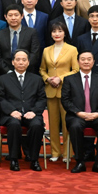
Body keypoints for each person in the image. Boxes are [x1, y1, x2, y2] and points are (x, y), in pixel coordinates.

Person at [0, 49, 47, 171]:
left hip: (32, 113)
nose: (21, 62)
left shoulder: (36, 79)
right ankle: (14, 159)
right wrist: (12, 111)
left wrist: (34, 112)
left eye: (24, 60)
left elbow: (42, 99)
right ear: (13, 62)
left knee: (37, 125)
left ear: (28, 62)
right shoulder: (3, 79)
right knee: (14, 124)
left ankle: (34, 160)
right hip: (11, 115)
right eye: (18, 60)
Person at [61, 51, 98, 174]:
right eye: (83, 59)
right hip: (77, 116)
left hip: (97, 115)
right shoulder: (69, 79)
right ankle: (79, 161)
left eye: (89, 59)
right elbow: (65, 100)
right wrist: (78, 112)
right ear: (78, 62)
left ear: (93, 62)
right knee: (75, 126)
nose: (86, 62)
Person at [39, 21, 79, 163]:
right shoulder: (46, 50)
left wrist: (60, 78)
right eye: (54, 31)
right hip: (50, 91)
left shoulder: (72, 49)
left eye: (60, 31)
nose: (57, 34)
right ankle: (55, 152)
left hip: (66, 91)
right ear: (50, 34)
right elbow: (42, 69)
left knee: (67, 123)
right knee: (53, 124)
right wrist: (47, 78)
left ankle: (68, 153)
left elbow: (75, 70)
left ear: (65, 33)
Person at [0, 5, 40, 75]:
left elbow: (35, 53)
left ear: (22, 16)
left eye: (16, 15)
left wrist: (22, 68)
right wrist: (7, 71)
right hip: (6, 73)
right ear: (5, 17)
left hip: (27, 72)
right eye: (10, 15)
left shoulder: (31, 32)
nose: (13, 18)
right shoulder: (0, 34)